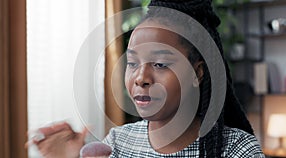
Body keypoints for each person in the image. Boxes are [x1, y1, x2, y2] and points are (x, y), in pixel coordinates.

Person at [26, 0, 265, 157]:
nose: (140, 78)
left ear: (197, 72)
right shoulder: (118, 144)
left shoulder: (237, 150)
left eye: (160, 64)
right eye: (132, 63)